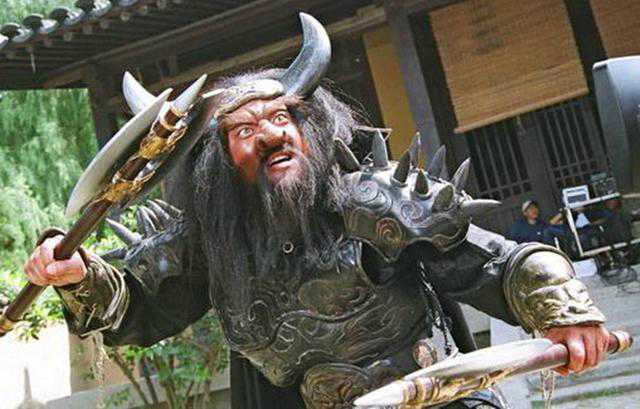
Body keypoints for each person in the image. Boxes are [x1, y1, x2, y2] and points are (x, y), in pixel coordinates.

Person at [22, 15, 610, 409]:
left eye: (282, 118)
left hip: (437, 399)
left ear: (308, 129)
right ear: (221, 162)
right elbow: (137, 307)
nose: (271, 135)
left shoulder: (371, 202)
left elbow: (490, 262)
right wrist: (76, 274)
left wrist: (564, 313)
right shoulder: (209, 242)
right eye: (245, 130)